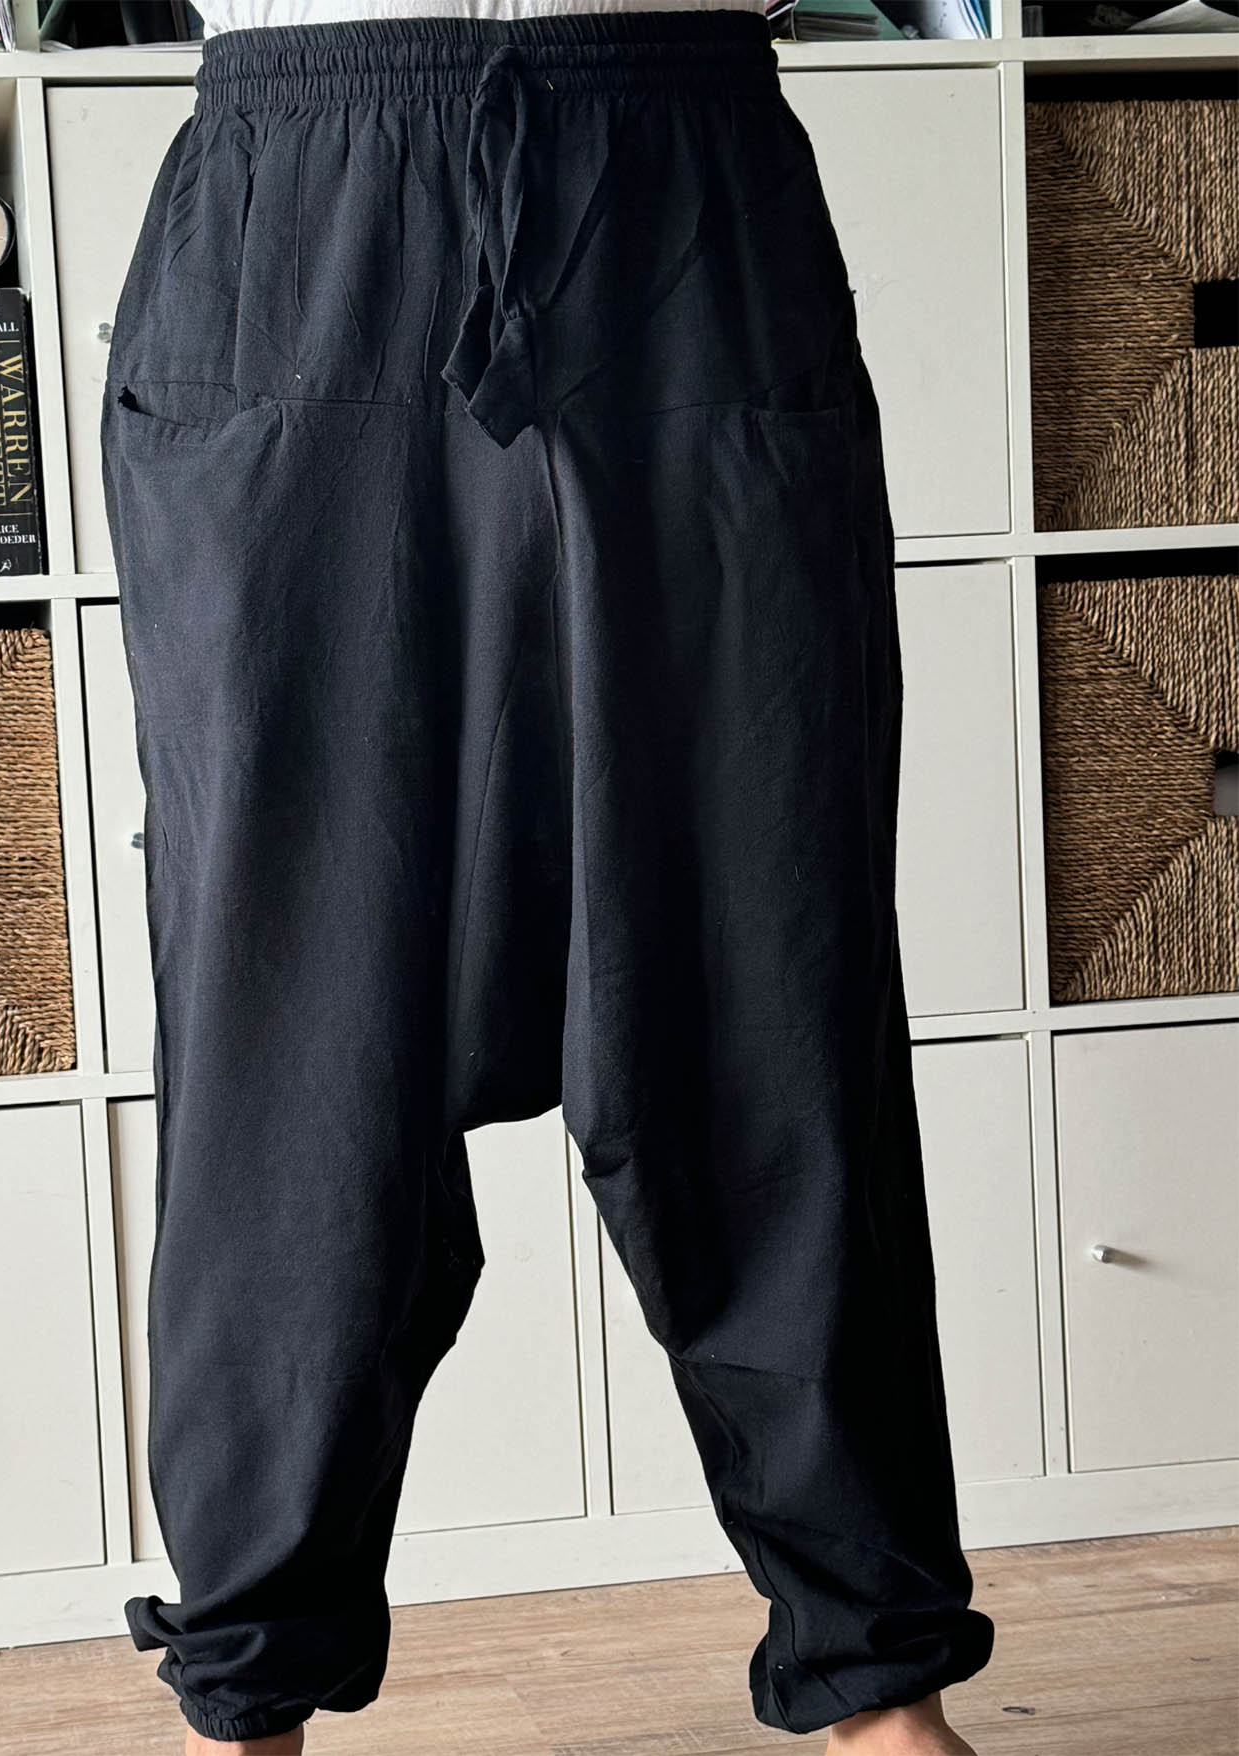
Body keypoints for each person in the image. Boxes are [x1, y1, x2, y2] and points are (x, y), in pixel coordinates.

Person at [100, 3, 996, 1752]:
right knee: (286, 1040)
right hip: (300, 212)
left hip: (683, 192)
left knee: (764, 987)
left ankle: (884, 1690)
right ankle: (251, 1702)